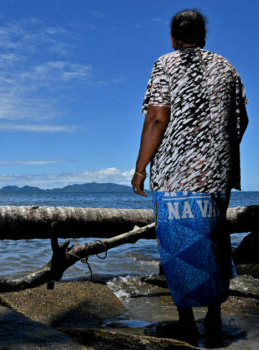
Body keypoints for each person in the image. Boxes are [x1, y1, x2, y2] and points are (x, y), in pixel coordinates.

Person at [131, 9, 248, 336]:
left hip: (175, 174)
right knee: (214, 241)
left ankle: (186, 324)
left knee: (176, 246)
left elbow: (156, 117)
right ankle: (213, 319)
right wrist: (218, 150)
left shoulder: (165, 64)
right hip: (216, 174)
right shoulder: (228, 68)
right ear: (204, 36)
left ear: (172, 37)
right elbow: (242, 120)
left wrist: (140, 169)